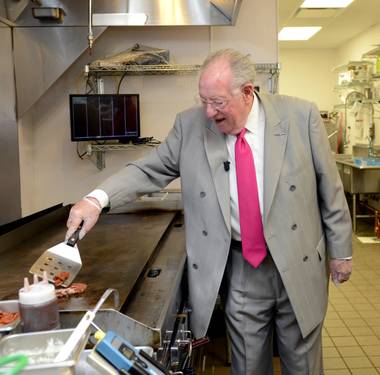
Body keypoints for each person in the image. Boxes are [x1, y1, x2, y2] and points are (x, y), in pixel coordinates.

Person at [66, 49, 353, 375]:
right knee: (246, 365)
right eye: (203, 100)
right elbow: (150, 170)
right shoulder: (190, 125)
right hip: (242, 267)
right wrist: (96, 199)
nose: (208, 111)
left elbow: (329, 188)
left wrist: (341, 251)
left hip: (299, 259)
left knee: (303, 364)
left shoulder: (301, 116)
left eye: (217, 102)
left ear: (247, 92)